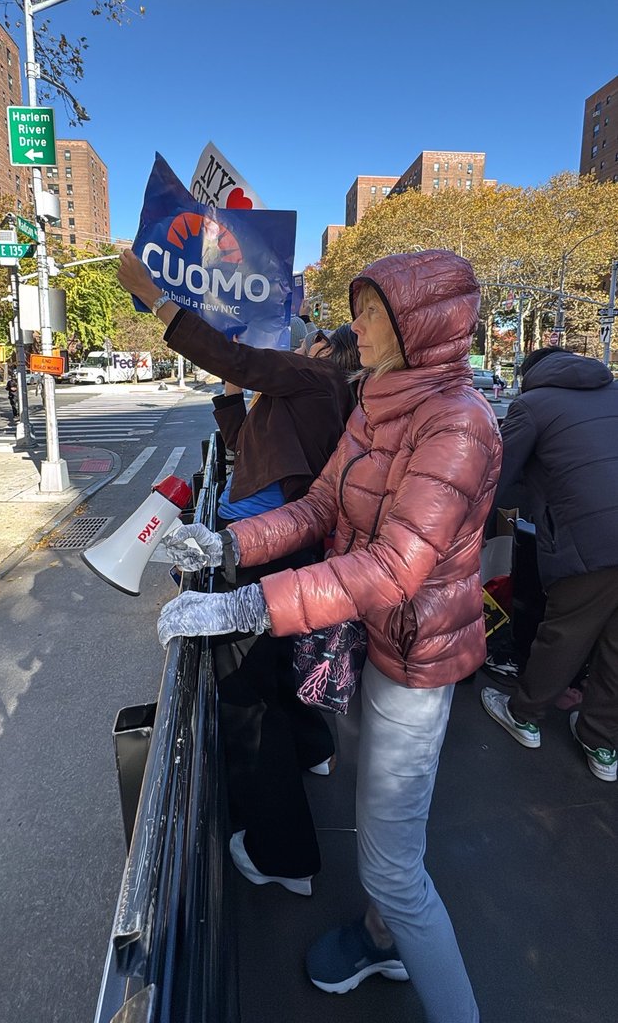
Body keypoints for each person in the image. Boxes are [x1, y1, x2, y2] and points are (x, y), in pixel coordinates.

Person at [153, 249, 502, 1022]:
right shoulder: (378, 401)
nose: (357, 323)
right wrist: (230, 548)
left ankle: (424, 968)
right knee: (382, 835)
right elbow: (318, 507)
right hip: (364, 638)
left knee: (393, 870)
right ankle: (380, 940)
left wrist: (247, 607)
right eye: (361, 307)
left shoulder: (457, 422)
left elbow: (393, 567)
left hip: (413, 659)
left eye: (374, 309)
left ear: (421, 325)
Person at [117, 250, 360, 894]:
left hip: (262, 546)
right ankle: (314, 752)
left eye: (313, 336)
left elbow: (243, 359)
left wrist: (158, 298)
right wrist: (231, 399)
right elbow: (242, 447)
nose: (301, 335)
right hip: (263, 538)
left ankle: (285, 853)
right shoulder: (309, 390)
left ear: (331, 355)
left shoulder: (315, 380)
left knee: (248, 692)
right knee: (274, 671)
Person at [481, 346, 618, 782]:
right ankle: (601, 742)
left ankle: (523, 714)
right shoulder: (614, 391)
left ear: (530, 374)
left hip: (589, 541)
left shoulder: (532, 405)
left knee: (565, 634)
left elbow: (496, 478)